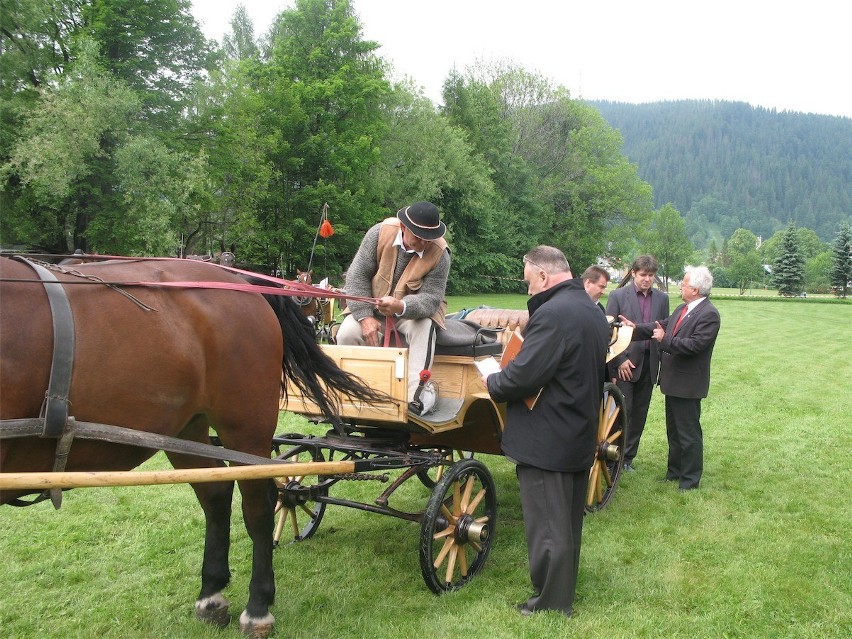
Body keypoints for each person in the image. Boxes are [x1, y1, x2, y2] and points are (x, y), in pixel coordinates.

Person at [482, 246, 609, 617]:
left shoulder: (554, 313)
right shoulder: (591, 310)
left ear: (542, 275)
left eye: (528, 282)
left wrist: (493, 380)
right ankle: (561, 587)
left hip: (548, 435)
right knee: (566, 521)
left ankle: (552, 603)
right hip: (576, 429)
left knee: (549, 527)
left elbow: (525, 376)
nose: (529, 290)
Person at [336, 201, 450, 404]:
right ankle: (355, 394)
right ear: (404, 227)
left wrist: (401, 306)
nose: (425, 243)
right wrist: (364, 317)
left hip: (412, 315)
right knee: (346, 333)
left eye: (429, 239)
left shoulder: (441, 253)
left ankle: (413, 399)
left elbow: (432, 299)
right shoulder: (379, 233)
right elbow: (357, 276)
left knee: (425, 327)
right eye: (419, 237)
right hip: (371, 310)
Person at [627, 265, 720, 491]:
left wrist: (664, 340)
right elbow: (661, 326)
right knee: (674, 431)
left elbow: (695, 346)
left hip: (688, 385)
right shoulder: (683, 308)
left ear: (696, 289)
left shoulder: (709, 314)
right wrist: (635, 328)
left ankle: (689, 480)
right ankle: (674, 472)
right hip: (673, 382)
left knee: (688, 433)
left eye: (684, 283)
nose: (681, 285)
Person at [605, 255, 670, 472]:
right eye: (643, 275)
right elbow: (609, 331)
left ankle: (627, 459)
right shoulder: (617, 296)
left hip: (650, 364)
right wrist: (619, 360)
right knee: (622, 412)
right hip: (625, 366)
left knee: (640, 414)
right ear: (633, 273)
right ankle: (610, 454)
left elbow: (662, 328)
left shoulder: (662, 299)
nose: (647, 279)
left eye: (651, 275)